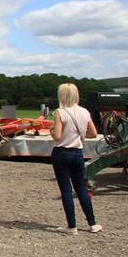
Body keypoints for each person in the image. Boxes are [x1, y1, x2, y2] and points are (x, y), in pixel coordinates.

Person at [49, 83, 102, 234]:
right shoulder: (85, 112)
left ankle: (72, 226)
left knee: (66, 190)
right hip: (78, 153)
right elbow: (93, 133)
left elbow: (58, 136)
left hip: (61, 154)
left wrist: (52, 130)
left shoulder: (60, 112)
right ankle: (92, 224)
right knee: (81, 189)